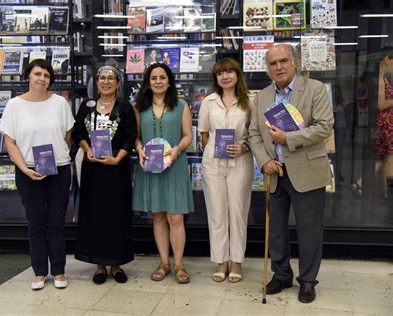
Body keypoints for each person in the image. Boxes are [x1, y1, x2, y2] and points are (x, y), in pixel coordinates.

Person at [248, 44, 334, 303]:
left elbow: (323, 127)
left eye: (284, 61)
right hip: (275, 172)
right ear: (268, 68)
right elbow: (253, 134)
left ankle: (308, 281)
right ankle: (281, 274)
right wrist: (264, 162)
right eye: (273, 63)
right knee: (275, 230)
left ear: (294, 62)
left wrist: (287, 138)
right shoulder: (262, 96)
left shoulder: (315, 89)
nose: (279, 67)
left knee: (309, 230)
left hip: (307, 170)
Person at [0, 59, 74, 290]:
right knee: (35, 223)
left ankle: (59, 271)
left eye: (46, 75)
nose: (42, 78)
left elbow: (68, 134)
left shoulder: (60, 102)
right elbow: (9, 141)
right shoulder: (14, 105)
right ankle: (40, 272)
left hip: (58, 169)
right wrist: (25, 168)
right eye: (37, 74)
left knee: (56, 222)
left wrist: (55, 155)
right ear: (28, 76)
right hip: (28, 170)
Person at [73, 65, 136, 284]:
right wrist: (87, 149)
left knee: (116, 215)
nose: (106, 82)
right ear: (96, 82)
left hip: (116, 169)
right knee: (95, 215)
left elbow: (130, 136)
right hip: (93, 169)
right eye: (102, 78)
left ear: (118, 84)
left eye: (111, 78)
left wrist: (118, 158)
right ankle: (99, 265)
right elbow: (78, 132)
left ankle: (116, 263)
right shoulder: (86, 106)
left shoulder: (125, 107)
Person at [133, 63, 194, 283]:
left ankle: (179, 265)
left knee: (176, 217)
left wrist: (177, 149)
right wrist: (139, 149)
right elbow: (136, 136)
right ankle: (163, 263)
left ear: (169, 81)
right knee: (158, 216)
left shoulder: (181, 105)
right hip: (150, 166)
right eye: (153, 78)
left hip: (174, 166)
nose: (158, 81)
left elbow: (188, 136)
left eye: (162, 77)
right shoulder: (140, 107)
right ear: (148, 83)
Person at [198, 58, 253, 283]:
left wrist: (244, 146)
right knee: (217, 212)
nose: (225, 76)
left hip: (240, 162)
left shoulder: (250, 101)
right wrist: (212, 149)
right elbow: (203, 133)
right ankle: (221, 261)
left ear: (237, 74)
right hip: (213, 163)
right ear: (216, 78)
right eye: (221, 73)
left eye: (230, 72)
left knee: (238, 213)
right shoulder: (208, 102)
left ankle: (237, 262)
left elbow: (256, 134)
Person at [351, 47, 393, 200]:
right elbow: (381, 104)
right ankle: (388, 194)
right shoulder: (380, 78)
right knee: (389, 159)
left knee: (383, 159)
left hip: (384, 123)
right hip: (386, 125)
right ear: (386, 59)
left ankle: (360, 184)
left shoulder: (381, 77)